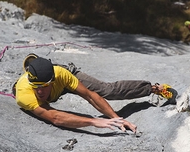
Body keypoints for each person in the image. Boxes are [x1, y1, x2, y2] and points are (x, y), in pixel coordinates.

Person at [13, 54, 177, 133]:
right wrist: (94, 122)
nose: (39, 91)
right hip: (44, 83)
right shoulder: (25, 94)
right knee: (24, 93)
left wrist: (115, 119)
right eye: (36, 86)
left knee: (107, 90)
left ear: (52, 80)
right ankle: (33, 69)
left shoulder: (61, 74)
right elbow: (55, 117)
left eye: (43, 86)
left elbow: (90, 95)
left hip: (63, 77)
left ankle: (154, 88)